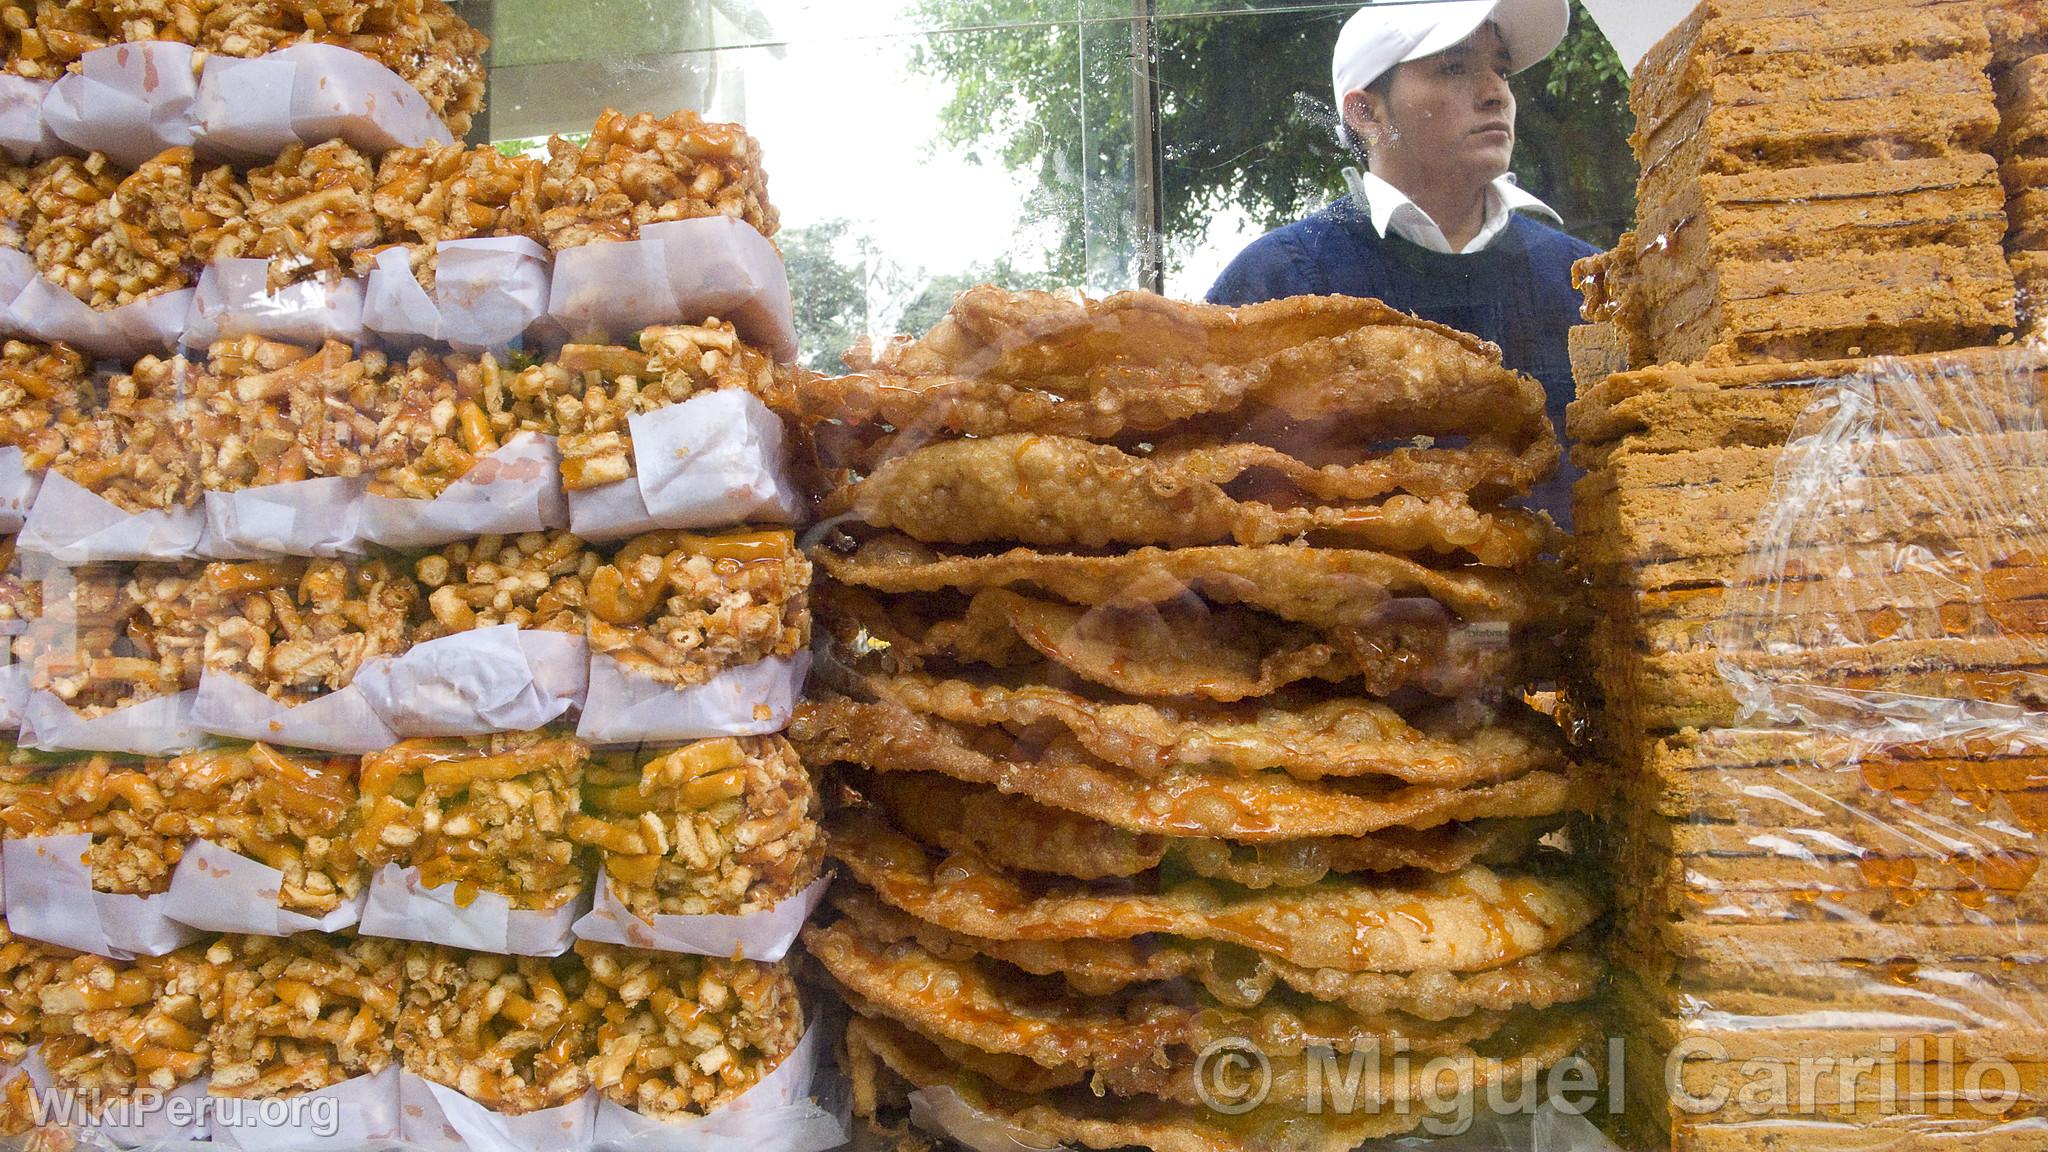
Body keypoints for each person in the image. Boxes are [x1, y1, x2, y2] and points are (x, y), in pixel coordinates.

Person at [1207, 0, 1595, 526]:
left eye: (1500, 69)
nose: (1496, 93)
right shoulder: (1277, 279)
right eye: (1454, 67)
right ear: (1366, 112)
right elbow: (1210, 495)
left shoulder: (1587, 281)